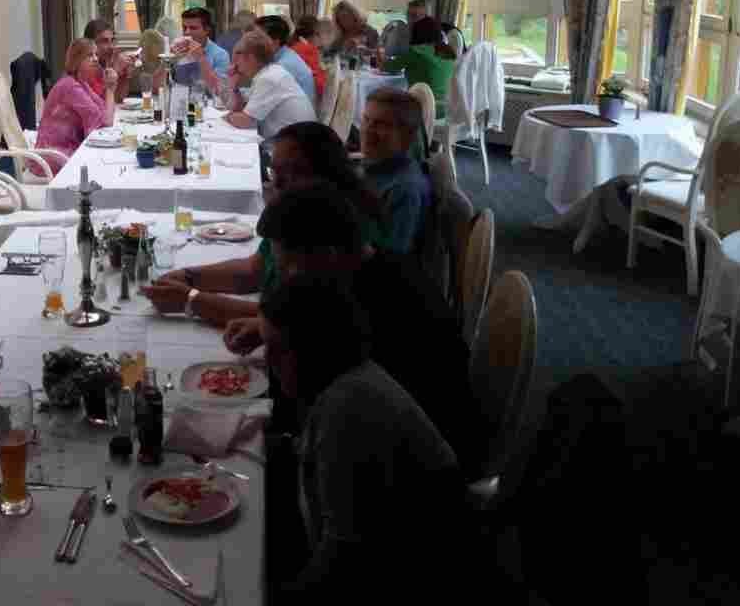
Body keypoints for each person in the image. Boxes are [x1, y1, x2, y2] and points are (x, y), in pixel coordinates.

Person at [220, 184, 485, 479]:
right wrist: (269, 330)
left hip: (411, 471)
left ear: (327, 254)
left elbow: (326, 408)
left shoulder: (373, 309)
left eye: (288, 268)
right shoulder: (373, 267)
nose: (283, 280)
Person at [261, 273, 464, 601]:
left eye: (278, 349)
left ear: (314, 348)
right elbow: (312, 451)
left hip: (414, 569)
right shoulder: (348, 376)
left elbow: (341, 564)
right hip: (384, 537)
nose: (267, 363)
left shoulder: (347, 409)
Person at [142, 122, 381, 326]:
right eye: (274, 171)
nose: (277, 183)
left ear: (326, 174)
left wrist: (192, 300)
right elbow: (255, 270)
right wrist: (188, 277)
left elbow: (296, 318)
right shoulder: (296, 210)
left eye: (294, 172)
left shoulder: (340, 226)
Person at [360, 87, 432, 254]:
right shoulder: (378, 165)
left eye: (381, 124)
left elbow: (390, 260)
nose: (367, 130)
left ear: (407, 135)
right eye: (365, 119)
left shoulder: (404, 191)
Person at [32, 38, 118, 175]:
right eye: (89, 55)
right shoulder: (70, 86)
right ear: (76, 60)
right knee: (104, 166)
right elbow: (107, 121)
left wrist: (109, 89)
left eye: (96, 54)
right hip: (53, 157)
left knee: (108, 160)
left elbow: (104, 112)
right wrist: (110, 89)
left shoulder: (81, 83)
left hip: (66, 150)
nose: (96, 59)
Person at [222, 31, 315, 141]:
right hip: (290, 140)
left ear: (251, 58)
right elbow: (240, 108)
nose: (234, 64)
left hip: (297, 145)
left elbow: (244, 121)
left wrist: (223, 118)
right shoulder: (268, 73)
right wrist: (234, 87)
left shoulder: (269, 78)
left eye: (237, 56)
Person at [380, 15, 458, 118]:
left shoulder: (415, 51)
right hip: (445, 109)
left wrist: (379, 53)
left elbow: (388, 67)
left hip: (422, 108)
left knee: (386, 104)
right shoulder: (449, 52)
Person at [255, 15, 316, 104]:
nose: (252, 42)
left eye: (258, 38)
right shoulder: (283, 54)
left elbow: (261, 99)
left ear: (275, 42)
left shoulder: (284, 65)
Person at [171, 6, 230, 95]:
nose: (187, 32)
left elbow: (219, 92)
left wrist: (201, 58)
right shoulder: (178, 51)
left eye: (193, 28)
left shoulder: (220, 55)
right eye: (184, 28)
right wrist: (167, 59)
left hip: (206, 102)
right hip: (179, 100)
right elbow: (157, 87)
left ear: (207, 30)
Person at [82, 18, 132, 100]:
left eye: (112, 40)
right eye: (104, 41)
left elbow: (119, 97)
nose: (111, 47)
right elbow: (98, 102)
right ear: (90, 43)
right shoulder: (85, 68)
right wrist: (116, 71)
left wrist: (125, 74)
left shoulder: (104, 63)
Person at [288, 14, 327, 97]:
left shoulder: (292, 46)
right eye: (319, 35)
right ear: (315, 34)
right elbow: (320, 87)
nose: (321, 39)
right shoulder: (308, 50)